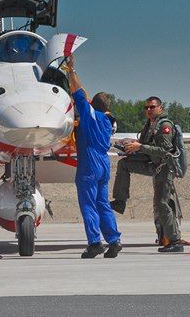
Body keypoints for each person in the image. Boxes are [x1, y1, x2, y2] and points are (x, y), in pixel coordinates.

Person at [66, 54, 122, 259]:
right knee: (102, 203)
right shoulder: (108, 121)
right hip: (104, 162)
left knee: (88, 204)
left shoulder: (90, 116)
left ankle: (94, 242)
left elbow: (79, 93)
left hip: (89, 163)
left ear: (93, 104)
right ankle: (114, 240)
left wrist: (72, 71)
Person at [109, 97, 183, 252]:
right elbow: (148, 145)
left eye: (152, 107)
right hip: (154, 165)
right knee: (124, 164)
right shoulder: (150, 125)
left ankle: (175, 242)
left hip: (164, 167)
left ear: (160, 108)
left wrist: (140, 146)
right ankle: (120, 201)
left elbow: (163, 151)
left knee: (162, 203)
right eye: (146, 107)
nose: (148, 110)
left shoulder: (164, 126)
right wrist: (130, 144)